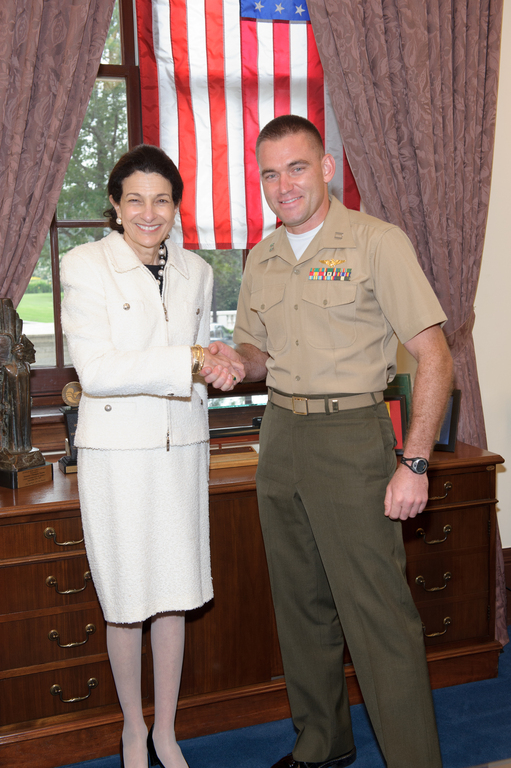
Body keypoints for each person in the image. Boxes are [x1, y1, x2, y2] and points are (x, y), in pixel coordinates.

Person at [208, 115, 453, 768]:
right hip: (280, 435)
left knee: (377, 615)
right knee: (301, 606)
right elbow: (258, 355)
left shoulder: (375, 242)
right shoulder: (261, 258)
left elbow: (435, 356)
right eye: (269, 173)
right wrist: (234, 361)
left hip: (351, 438)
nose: (282, 185)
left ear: (324, 168)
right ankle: (322, 743)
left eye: (295, 167)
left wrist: (415, 463)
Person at [61, 145, 243, 768]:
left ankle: (166, 730)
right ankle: (133, 730)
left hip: (181, 451)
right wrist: (191, 360)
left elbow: (198, 357)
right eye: (134, 199)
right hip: (117, 456)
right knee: (126, 598)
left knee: (174, 594)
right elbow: (97, 371)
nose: (148, 212)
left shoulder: (198, 271)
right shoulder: (85, 265)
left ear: (175, 206)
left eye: (161, 200)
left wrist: (217, 366)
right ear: (115, 206)